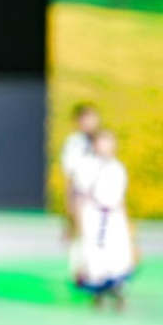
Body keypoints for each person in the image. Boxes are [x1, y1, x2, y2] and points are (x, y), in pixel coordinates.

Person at [71, 129, 136, 309]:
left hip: (114, 216)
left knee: (118, 253)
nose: (107, 145)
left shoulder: (118, 167)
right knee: (93, 254)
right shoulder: (86, 166)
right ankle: (97, 291)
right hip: (93, 214)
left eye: (110, 141)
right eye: (103, 141)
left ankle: (117, 289)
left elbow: (121, 198)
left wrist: (128, 223)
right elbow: (79, 196)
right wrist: (77, 222)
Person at [60, 103, 100, 240]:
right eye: (86, 118)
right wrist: (70, 201)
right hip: (82, 193)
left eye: (93, 117)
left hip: (101, 193)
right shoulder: (74, 143)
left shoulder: (102, 140)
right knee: (83, 234)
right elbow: (71, 175)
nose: (90, 122)